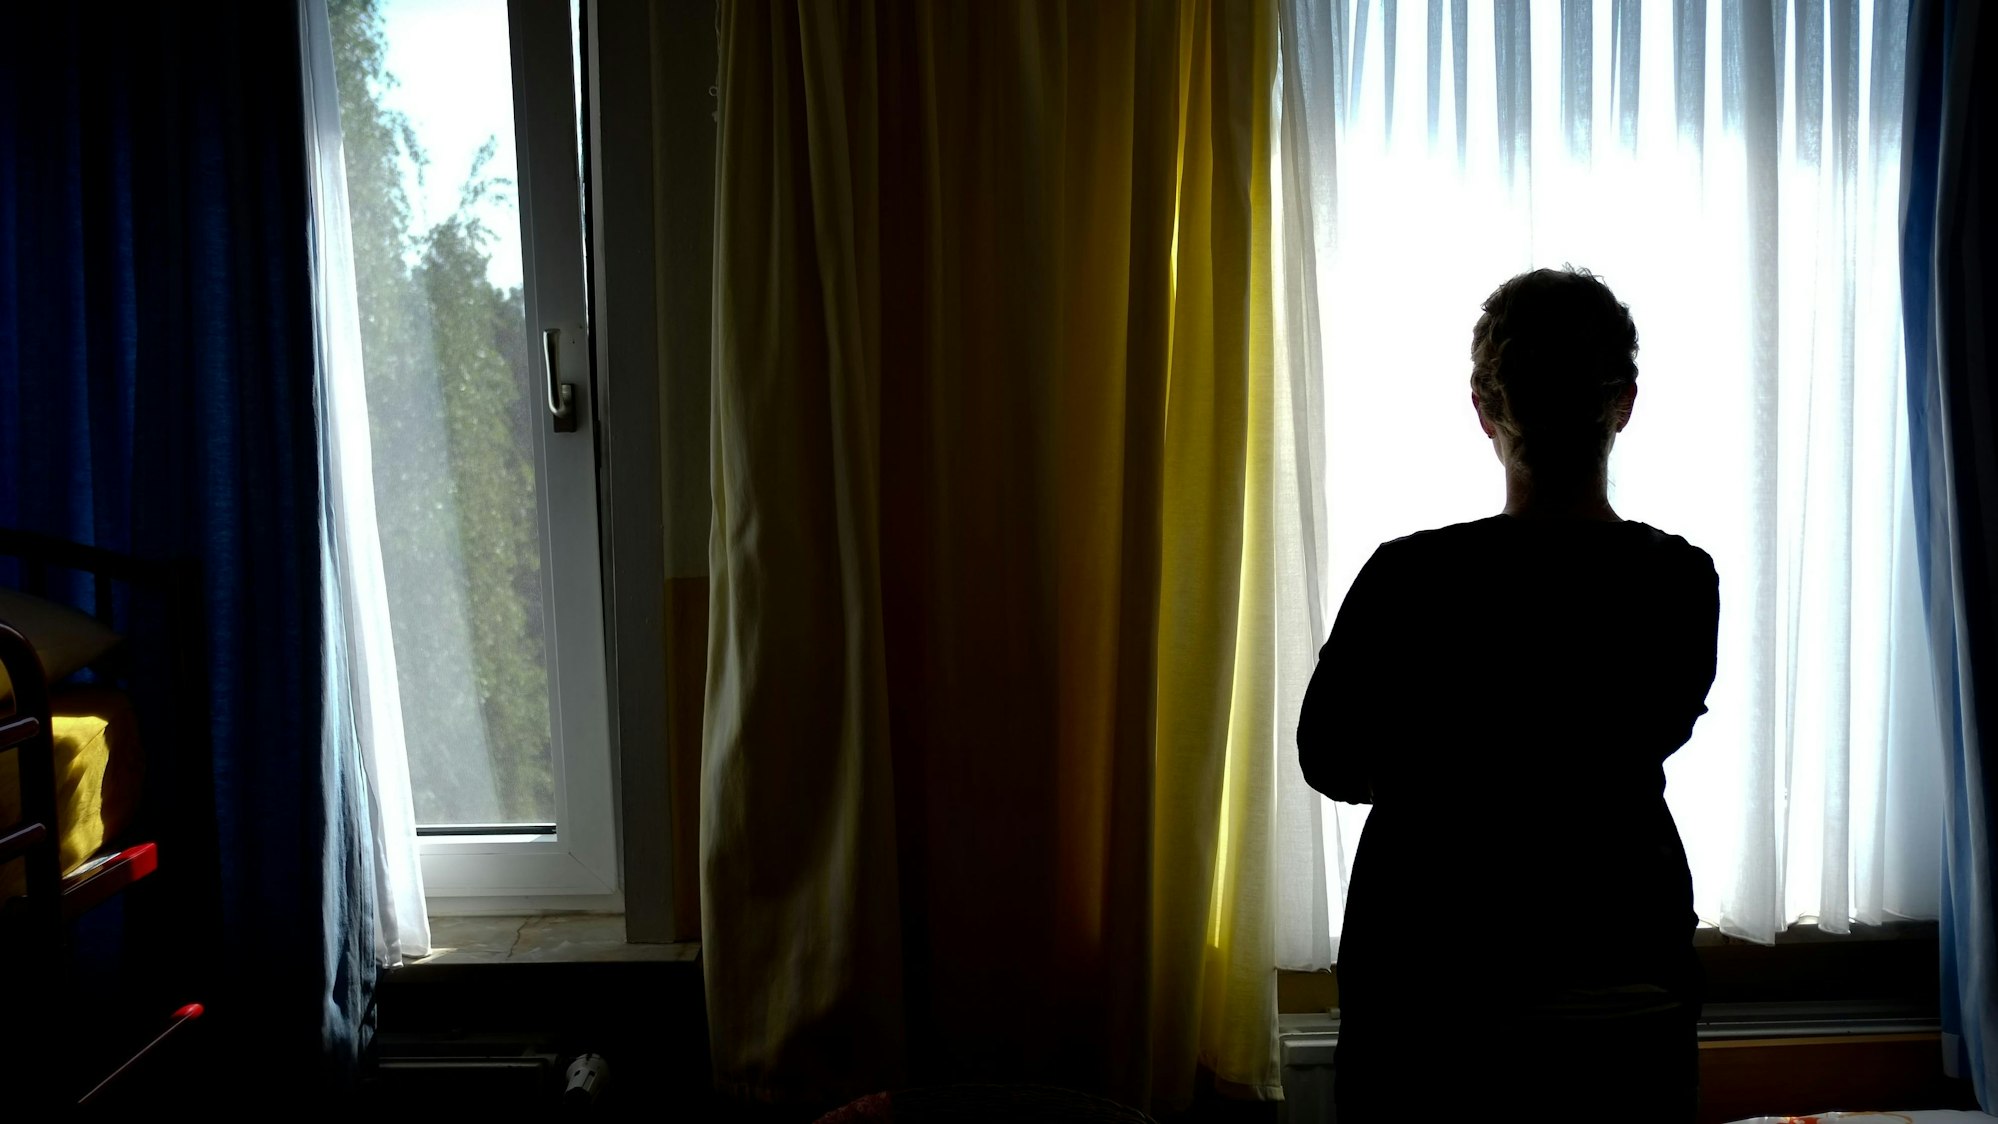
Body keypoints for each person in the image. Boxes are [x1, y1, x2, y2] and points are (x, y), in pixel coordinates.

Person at [1297, 267, 1719, 1120]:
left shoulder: (1407, 577)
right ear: (1622, 404)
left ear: (1486, 410)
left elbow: (1328, 756)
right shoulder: (1676, 580)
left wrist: (1437, 776)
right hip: (1620, 956)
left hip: (1426, 975)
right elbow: (1647, 729)